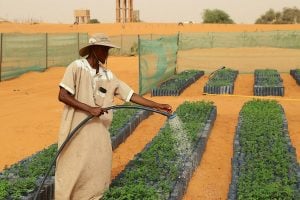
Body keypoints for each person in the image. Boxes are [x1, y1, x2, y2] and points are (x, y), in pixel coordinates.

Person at [55, 33, 172, 200]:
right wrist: (90, 108)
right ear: (94, 49)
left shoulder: (108, 75)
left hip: (98, 130)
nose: (107, 54)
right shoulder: (76, 67)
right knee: (72, 167)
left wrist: (157, 105)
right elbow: (63, 95)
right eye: (105, 50)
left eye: (108, 50)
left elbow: (131, 95)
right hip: (76, 129)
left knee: (98, 166)